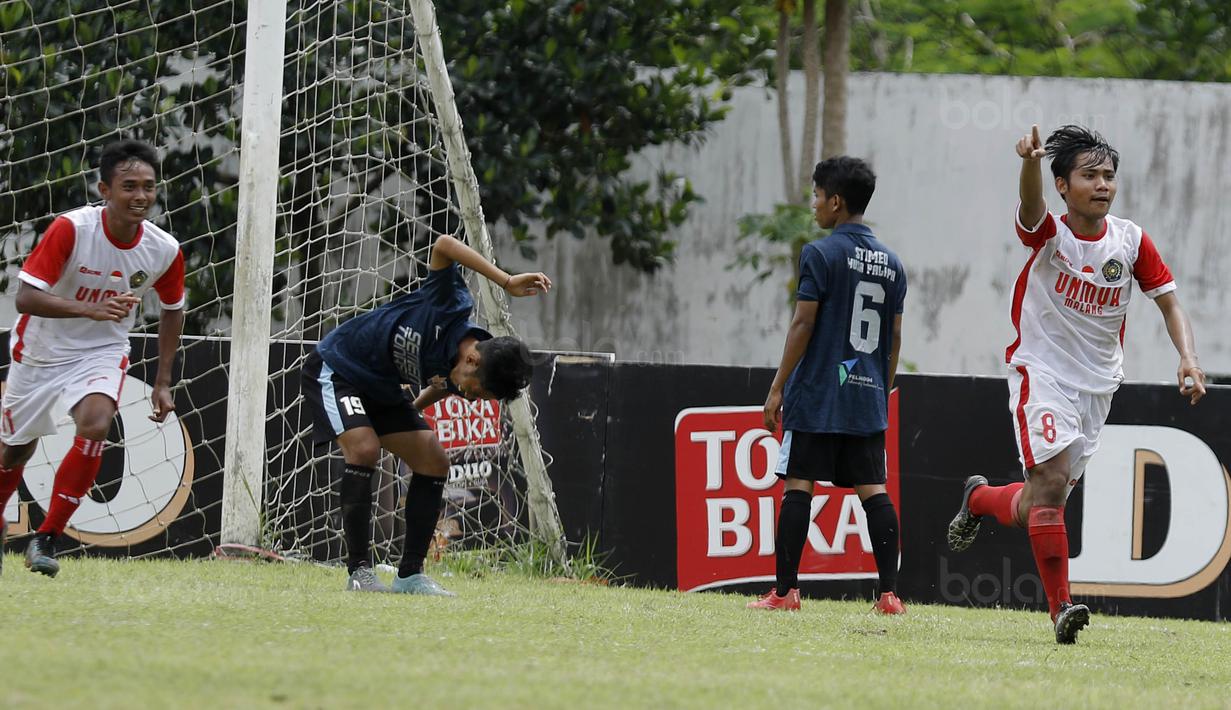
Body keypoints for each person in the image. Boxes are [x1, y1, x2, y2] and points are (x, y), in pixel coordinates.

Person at [947, 124, 1206, 644]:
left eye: (1109, 175)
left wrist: (1188, 357)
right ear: (1062, 185)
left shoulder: (1130, 241)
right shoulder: (1050, 233)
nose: (1103, 185)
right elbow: (1029, 209)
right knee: (1050, 485)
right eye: (1090, 175)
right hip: (1041, 371)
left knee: (1044, 500)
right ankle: (1061, 608)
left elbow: (1168, 301)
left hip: (1098, 385)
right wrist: (1028, 163)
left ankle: (979, 500)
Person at [301, 234, 548, 594]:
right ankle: (359, 573)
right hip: (339, 368)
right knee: (365, 449)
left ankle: (410, 576)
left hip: (382, 391)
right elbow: (444, 244)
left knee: (433, 460)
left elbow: (440, 384)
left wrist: (406, 419)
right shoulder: (450, 304)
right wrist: (506, 281)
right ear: (473, 359)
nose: (469, 398)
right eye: (476, 392)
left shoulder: (459, 371)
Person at [0, 139, 186, 577]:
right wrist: (91, 309)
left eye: (148, 187)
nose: (140, 197)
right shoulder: (72, 229)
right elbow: (26, 298)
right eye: (129, 187)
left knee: (98, 421)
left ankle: (47, 538)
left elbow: (174, 310)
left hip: (102, 350)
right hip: (41, 351)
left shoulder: (164, 250)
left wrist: (162, 381)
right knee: (14, 451)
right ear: (104, 190)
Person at [750, 156, 908, 615]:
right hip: (867, 395)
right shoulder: (893, 263)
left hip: (819, 391)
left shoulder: (819, 253)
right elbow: (895, 337)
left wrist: (777, 387)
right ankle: (889, 595)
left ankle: (785, 593)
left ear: (836, 202)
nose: (815, 205)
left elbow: (803, 322)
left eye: (818, 196)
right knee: (873, 490)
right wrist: (882, 386)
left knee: (798, 485)